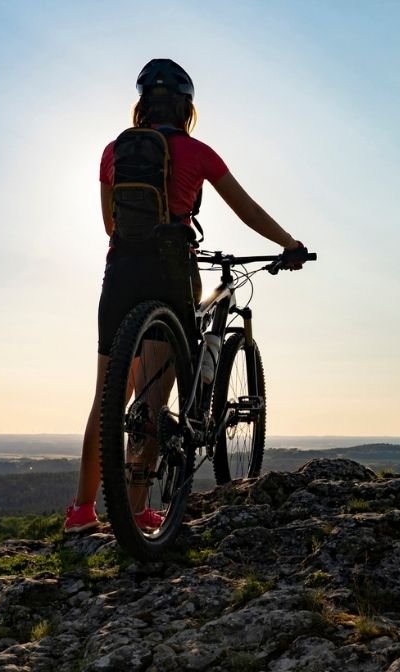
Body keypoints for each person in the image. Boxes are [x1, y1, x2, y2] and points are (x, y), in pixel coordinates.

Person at [65, 58, 306, 533]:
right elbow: (246, 208)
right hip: (169, 271)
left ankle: (81, 511)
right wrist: (288, 244)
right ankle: (135, 514)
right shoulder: (198, 153)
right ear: (186, 107)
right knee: (155, 400)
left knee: (107, 397)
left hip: (120, 272)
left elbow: (110, 225)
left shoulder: (113, 151)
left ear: (142, 105)